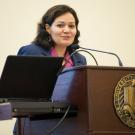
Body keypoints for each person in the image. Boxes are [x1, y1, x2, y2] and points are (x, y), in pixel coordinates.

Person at [13, 4, 87, 135]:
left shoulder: (80, 59)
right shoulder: (32, 51)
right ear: (48, 28)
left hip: (71, 126)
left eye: (71, 26)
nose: (67, 30)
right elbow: (21, 94)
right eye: (60, 25)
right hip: (36, 125)